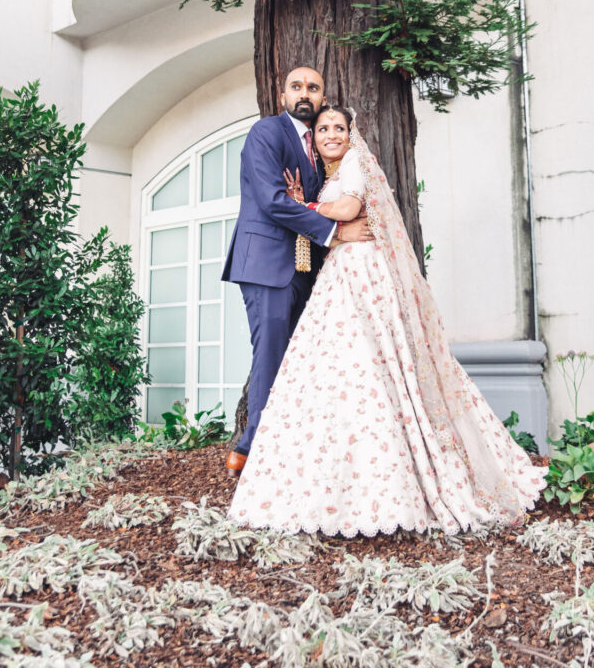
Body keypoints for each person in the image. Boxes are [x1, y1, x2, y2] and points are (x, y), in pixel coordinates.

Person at [228, 105, 547, 536]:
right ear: (313, 139)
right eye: (323, 129)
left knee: (369, 359)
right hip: (340, 272)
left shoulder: (354, 163)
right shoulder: (328, 173)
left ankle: (385, 477)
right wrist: (307, 201)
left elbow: (347, 208)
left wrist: (309, 206)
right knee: (339, 365)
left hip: (361, 271)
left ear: (351, 134)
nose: (332, 135)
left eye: (339, 128)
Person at [221, 69, 373, 478]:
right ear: (282, 95)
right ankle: (251, 449)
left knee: (300, 357)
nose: (305, 93)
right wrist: (335, 233)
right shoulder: (266, 133)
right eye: (297, 87)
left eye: (313, 88)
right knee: (271, 352)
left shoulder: (321, 148)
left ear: (322, 98)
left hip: (306, 268)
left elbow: (312, 199)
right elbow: (272, 200)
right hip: (267, 263)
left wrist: (310, 206)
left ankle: (290, 446)